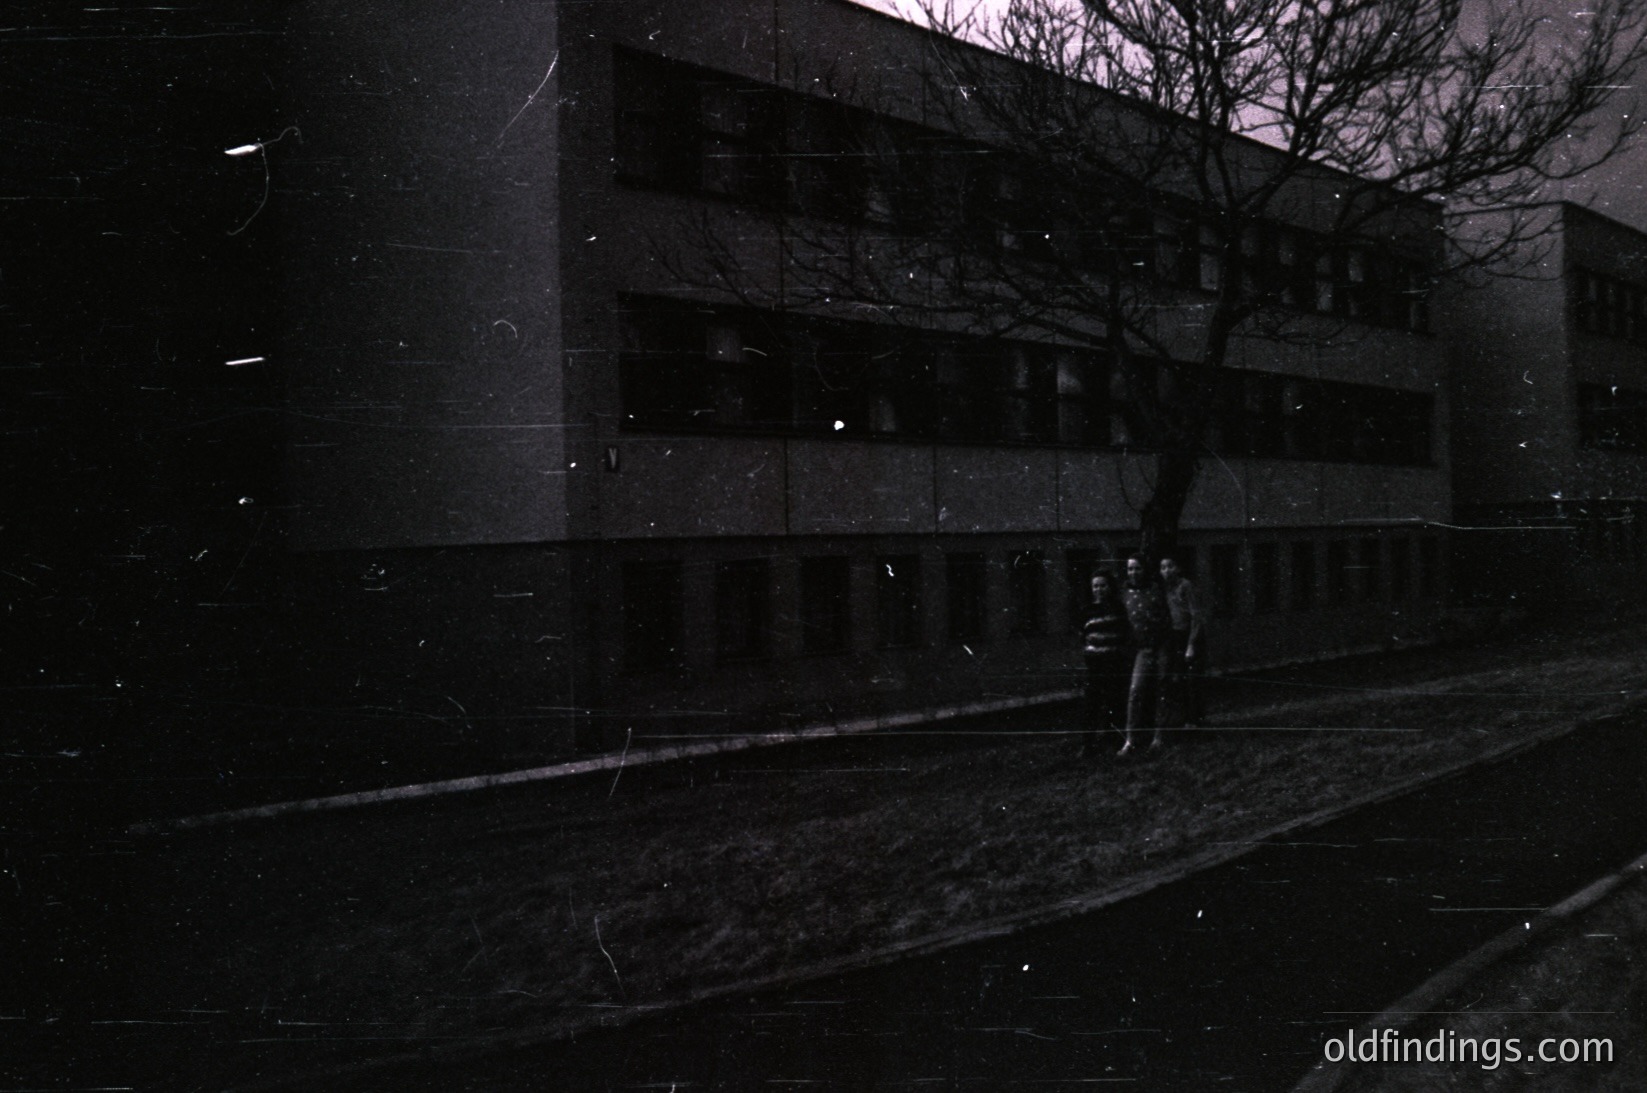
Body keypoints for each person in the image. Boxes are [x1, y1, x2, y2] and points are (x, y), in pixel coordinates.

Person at [1119, 553, 1170, 755]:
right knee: (1136, 691)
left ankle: (1159, 737)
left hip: (1160, 646)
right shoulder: (1124, 593)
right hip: (1140, 650)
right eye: (1130, 568)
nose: (1133, 572)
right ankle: (1130, 739)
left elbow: (1166, 618)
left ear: (1144, 570)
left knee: (1162, 690)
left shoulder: (1156, 591)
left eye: (1137, 568)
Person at [1078, 571, 1130, 758]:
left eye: (1103, 585)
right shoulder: (1087, 611)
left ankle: (1111, 741)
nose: (1099, 589)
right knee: (1091, 706)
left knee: (1113, 704)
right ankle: (1088, 744)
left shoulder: (1118, 609)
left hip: (1114, 665)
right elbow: (1083, 637)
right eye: (1095, 586)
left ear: (1110, 588)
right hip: (1095, 666)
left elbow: (1124, 636)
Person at [1159, 554, 1206, 729]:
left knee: (1192, 679)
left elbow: (1196, 616)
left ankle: (1195, 720)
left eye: (1170, 566)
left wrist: (1191, 645)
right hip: (1175, 636)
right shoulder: (1164, 589)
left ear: (1178, 568)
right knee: (1178, 679)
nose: (1167, 571)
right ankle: (1184, 718)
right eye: (1163, 567)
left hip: (1190, 636)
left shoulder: (1185, 586)